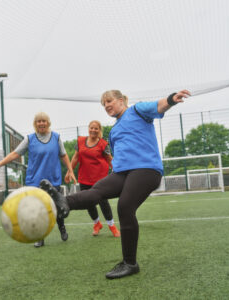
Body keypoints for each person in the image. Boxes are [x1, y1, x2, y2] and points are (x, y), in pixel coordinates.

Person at [40, 89, 191, 279]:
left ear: (121, 100)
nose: (107, 106)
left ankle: (130, 263)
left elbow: (159, 106)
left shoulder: (137, 110)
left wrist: (171, 99)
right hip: (122, 173)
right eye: (104, 104)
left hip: (146, 169)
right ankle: (62, 203)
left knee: (125, 207)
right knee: (97, 191)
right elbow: (117, 157)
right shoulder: (114, 131)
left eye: (109, 101)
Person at [0, 112, 76, 247]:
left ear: (48, 123)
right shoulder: (29, 139)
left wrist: (70, 170)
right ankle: (39, 237)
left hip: (53, 179)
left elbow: (63, 155)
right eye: (38, 121)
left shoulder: (56, 138)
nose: (41, 123)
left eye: (44, 121)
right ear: (35, 124)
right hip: (35, 181)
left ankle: (61, 227)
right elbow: (15, 153)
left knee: (57, 207)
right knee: (37, 210)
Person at [65, 120, 120, 237]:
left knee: (103, 202)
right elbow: (75, 158)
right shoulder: (80, 141)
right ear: (88, 128)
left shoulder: (103, 144)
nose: (93, 130)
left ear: (99, 130)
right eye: (92, 128)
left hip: (100, 179)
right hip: (84, 178)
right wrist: (69, 171)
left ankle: (112, 226)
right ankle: (97, 224)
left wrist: (118, 171)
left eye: (96, 128)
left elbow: (110, 159)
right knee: (88, 202)